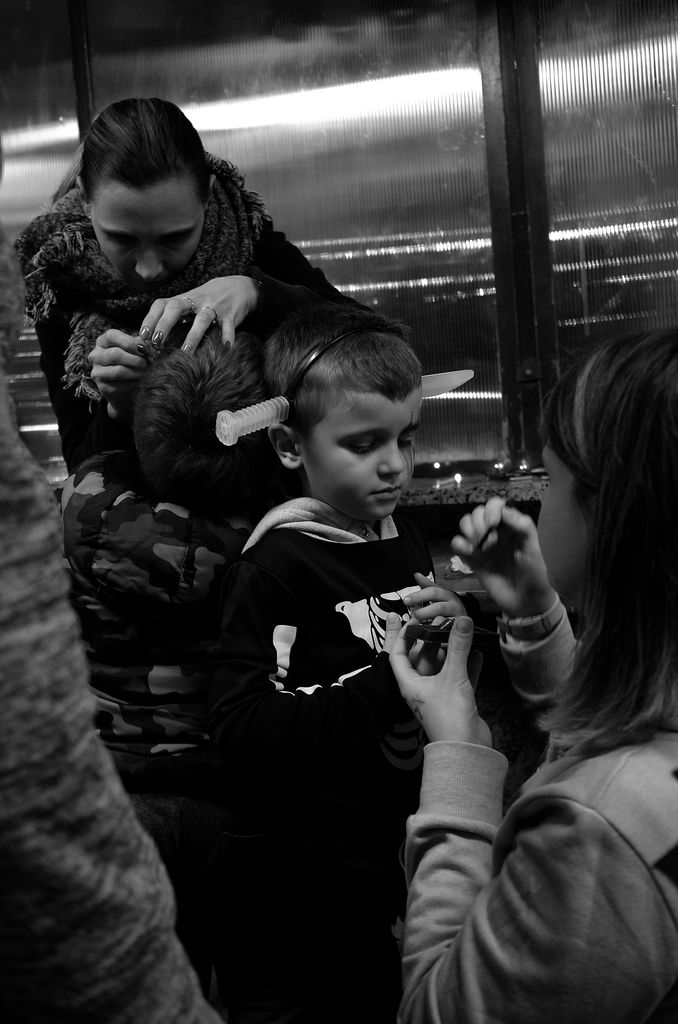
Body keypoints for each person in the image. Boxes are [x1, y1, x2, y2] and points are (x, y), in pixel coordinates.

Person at [389, 329, 678, 1023]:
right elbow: (622, 737)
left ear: (612, 514)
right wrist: (535, 612)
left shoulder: (600, 837)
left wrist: (459, 752)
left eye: (549, 480)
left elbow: (439, 1011)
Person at [207, 303, 472, 1023]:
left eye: (405, 438)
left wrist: (450, 621)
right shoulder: (274, 568)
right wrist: (392, 679)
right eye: (362, 444)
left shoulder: (402, 535)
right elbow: (241, 726)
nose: (394, 465)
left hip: (389, 858)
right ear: (290, 447)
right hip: (304, 882)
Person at [0, 186, 221, 1021]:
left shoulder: (84, 506)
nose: (149, 266)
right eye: (123, 238)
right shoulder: (254, 539)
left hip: (126, 782)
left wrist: (123, 417)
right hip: (209, 784)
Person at [59, 328, 282, 1012]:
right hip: (235, 797)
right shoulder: (269, 537)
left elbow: (116, 457)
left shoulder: (87, 497)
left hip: (122, 796)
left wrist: (130, 411)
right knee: (256, 988)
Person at [14, 95, 359, 473]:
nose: (148, 270)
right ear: (85, 200)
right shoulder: (56, 277)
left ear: (207, 196)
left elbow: (373, 340)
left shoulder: (243, 234)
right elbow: (83, 471)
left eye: (174, 238)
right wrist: (122, 409)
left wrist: (257, 292)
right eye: (123, 239)